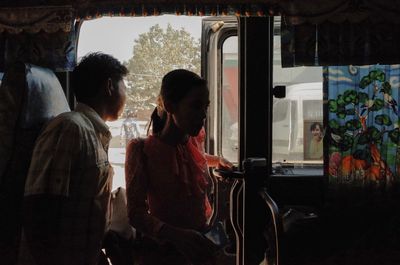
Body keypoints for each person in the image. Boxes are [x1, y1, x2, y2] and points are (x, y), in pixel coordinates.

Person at [21, 52, 128, 265]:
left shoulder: (93, 133)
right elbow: (40, 209)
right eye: (124, 87)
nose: (127, 95)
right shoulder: (70, 128)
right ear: (109, 86)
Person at [125, 69, 231, 265]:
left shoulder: (194, 141)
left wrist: (219, 161)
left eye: (205, 107)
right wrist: (176, 235)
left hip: (199, 247)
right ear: (170, 105)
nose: (203, 115)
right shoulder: (141, 150)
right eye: (195, 106)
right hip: (163, 253)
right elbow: (135, 214)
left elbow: (192, 159)